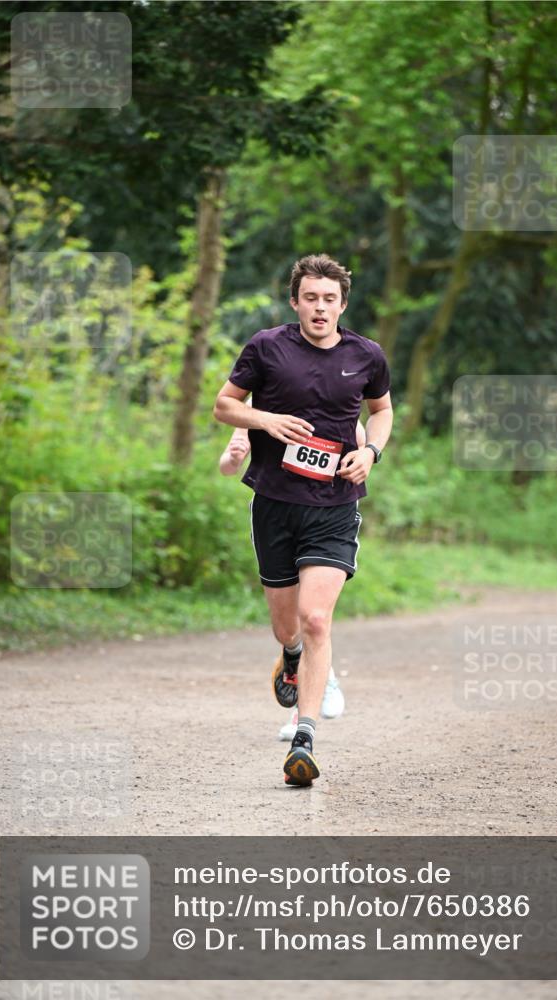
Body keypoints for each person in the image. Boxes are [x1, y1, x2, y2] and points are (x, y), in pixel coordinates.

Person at [213, 253, 392, 786]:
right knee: (286, 626)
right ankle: (289, 656)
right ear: (295, 301)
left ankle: (305, 738)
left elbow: (381, 410)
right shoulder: (267, 347)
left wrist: (371, 453)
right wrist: (265, 420)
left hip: (335, 505)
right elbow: (224, 406)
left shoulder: (366, 355)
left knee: (316, 619)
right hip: (274, 501)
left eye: (329, 299)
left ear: (342, 305)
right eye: (310, 298)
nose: (320, 308)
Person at [219, 403, 367, 740]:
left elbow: (361, 442)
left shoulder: (337, 396)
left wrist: (363, 457)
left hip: (326, 516)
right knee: (287, 629)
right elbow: (228, 465)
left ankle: (303, 715)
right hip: (275, 515)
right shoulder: (259, 403)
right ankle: (304, 660)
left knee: (314, 617)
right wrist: (234, 456)